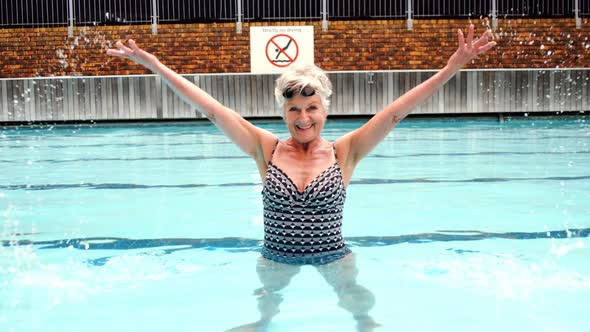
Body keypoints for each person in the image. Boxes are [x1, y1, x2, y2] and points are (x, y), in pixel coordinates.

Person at [107, 25, 495, 331]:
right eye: (294, 108)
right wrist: (155, 66)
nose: (303, 118)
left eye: (311, 107)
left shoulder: (346, 151)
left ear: (324, 109)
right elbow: (212, 110)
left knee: (355, 300)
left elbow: (395, 113)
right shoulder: (267, 149)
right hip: (275, 256)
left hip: (333, 255)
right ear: (284, 111)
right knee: (267, 306)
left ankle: (365, 325)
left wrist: (450, 69)